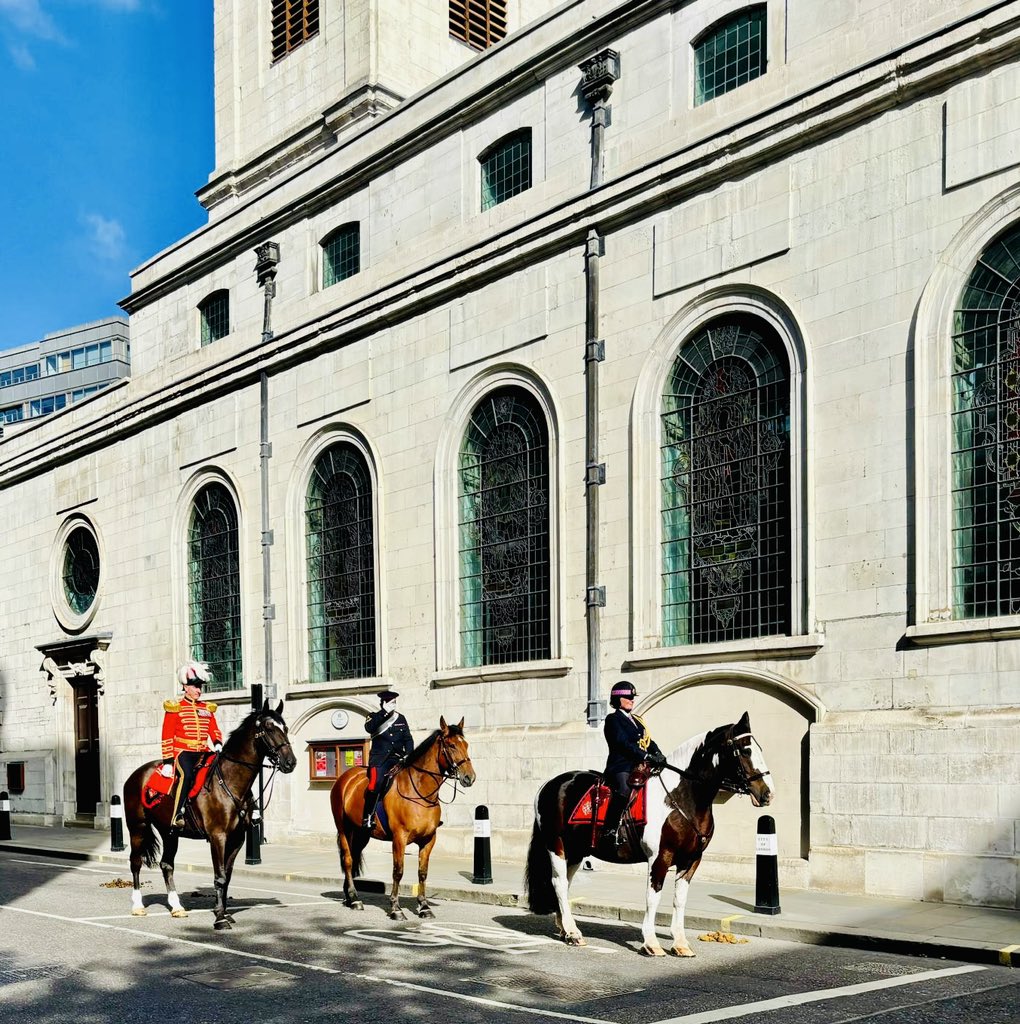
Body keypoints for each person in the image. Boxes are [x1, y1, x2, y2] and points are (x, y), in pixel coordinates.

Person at [602, 680, 665, 847]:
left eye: (632, 697)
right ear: (618, 699)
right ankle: (610, 829)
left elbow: (648, 740)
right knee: (623, 790)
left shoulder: (637, 720)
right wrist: (645, 756)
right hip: (621, 766)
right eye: (628, 696)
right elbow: (622, 742)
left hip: (639, 766)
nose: (632, 699)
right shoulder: (612, 719)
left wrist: (658, 753)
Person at [162, 661, 223, 829]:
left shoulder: (206, 708)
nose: (199, 690)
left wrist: (217, 743)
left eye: (200, 686)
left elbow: (214, 729)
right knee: (187, 776)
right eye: (195, 686)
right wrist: (168, 761)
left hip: (204, 751)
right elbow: (167, 736)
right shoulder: (175, 707)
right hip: (183, 753)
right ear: (185, 687)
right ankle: (177, 814)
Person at [362, 689, 414, 829]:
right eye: (390, 702)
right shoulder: (373, 717)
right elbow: (369, 728)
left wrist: (408, 754)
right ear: (383, 703)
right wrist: (384, 712)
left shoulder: (401, 718)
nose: (393, 705)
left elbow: (408, 739)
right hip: (380, 760)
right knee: (375, 783)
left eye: (394, 702)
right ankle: (368, 816)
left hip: (398, 759)